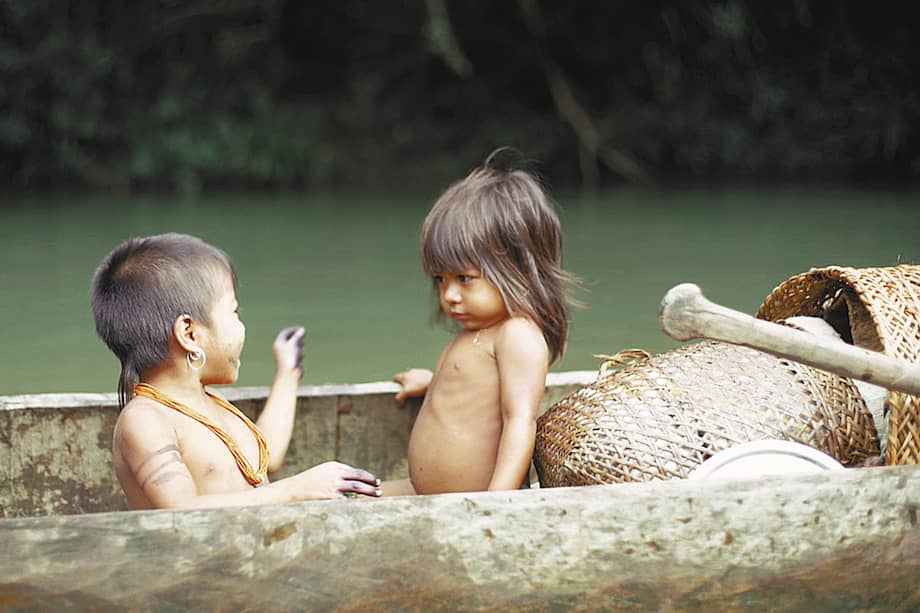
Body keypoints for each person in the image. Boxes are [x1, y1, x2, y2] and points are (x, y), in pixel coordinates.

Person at [91, 233, 381, 509]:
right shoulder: (145, 419)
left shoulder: (208, 401)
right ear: (189, 334)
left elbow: (263, 459)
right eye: (234, 312)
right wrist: (295, 490)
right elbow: (181, 509)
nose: (241, 326)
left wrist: (287, 374)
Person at [386, 157, 575, 495]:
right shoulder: (476, 333)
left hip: (476, 505)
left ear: (517, 270)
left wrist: (497, 503)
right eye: (440, 280)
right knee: (343, 496)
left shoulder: (516, 334)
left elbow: (519, 421)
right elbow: (478, 397)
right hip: (427, 495)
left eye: (464, 278)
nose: (449, 296)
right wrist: (434, 385)